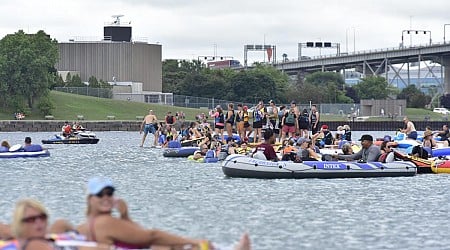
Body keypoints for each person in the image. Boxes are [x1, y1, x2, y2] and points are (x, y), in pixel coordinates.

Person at [76, 177, 252, 250]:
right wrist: (193, 240)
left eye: (109, 193)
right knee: (176, 246)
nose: (106, 198)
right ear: (90, 198)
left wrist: (125, 216)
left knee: (167, 247)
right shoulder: (106, 223)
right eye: (101, 194)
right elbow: (150, 235)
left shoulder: (84, 227)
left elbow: (133, 238)